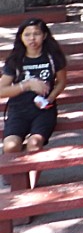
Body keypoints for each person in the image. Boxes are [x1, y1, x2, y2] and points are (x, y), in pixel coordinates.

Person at [0, 18, 68, 154]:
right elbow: (1, 90)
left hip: (44, 111)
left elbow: (61, 81)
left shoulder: (53, 58)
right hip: (18, 110)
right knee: (11, 146)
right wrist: (26, 85)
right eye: (27, 34)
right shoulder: (15, 60)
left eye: (36, 34)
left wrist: (50, 98)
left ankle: (31, 176)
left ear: (44, 35)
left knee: (34, 143)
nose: (32, 38)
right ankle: (15, 173)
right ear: (21, 37)